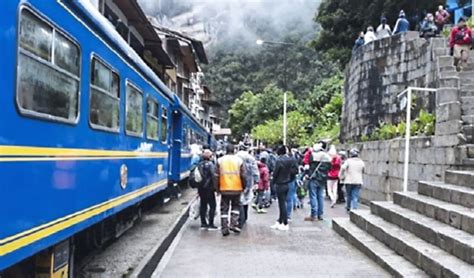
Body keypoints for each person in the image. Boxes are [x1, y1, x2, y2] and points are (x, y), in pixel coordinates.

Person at [217, 144, 245, 236]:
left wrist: (217, 188)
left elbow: (216, 175)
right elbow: (243, 175)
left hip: (224, 188)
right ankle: (233, 224)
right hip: (237, 188)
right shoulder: (239, 160)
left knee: (224, 209)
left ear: (226, 150)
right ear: (234, 151)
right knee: (235, 207)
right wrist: (244, 186)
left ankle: (224, 228)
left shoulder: (220, 160)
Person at [271, 145, 298, 231]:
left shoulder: (279, 161)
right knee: (283, 203)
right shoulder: (290, 160)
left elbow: (275, 173)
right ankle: (280, 221)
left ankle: (285, 222)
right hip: (287, 182)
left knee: (282, 204)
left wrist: (272, 181)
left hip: (280, 183)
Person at [304, 143, 331, 221]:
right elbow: (330, 168)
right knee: (320, 196)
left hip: (314, 178)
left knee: (313, 196)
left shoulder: (313, 156)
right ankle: (320, 214)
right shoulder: (327, 157)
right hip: (323, 179)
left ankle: (314, 215)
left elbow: (308, 167)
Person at [237, 145, 259, 227]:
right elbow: (255, 170)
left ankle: (240, 219)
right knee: (246, 200)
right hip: (249, 181)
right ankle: (245, 217)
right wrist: (256, 181)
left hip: (238, 181)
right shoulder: (250, 158)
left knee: (240, 200)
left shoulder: (236, 157)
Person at [197, 149, 218, 230]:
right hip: (209, 188)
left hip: (201, 188)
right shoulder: (211, 164)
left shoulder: (200, 164)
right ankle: (211, 223)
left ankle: (203, 223)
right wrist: (216, 188)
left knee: (203, 205)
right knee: (212, 205)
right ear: (210, 156)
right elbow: (213, 176)